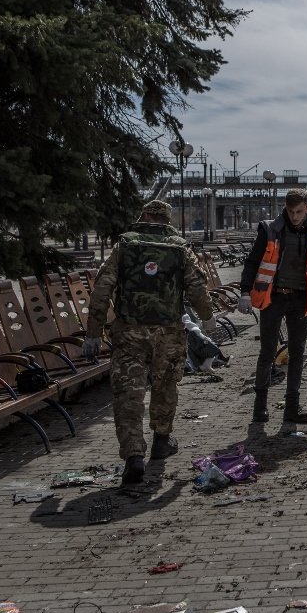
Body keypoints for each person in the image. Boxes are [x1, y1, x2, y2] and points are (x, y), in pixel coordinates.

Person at [83, 199, 215, 485]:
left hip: (129, 332)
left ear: (142, 216)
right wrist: (207, 318)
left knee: (128, 394)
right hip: (168, 333)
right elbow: (196, 286)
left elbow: (102, 288)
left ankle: (133, 455)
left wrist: (93, 333)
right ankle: (161, 441)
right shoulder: (180, 248)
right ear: (168, 221)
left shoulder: (124, 246)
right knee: (166, 386)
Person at [238, 188, 307, 426]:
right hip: (272, 298)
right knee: (267, 352)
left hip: (299, 299)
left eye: (299, 212)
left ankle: (292, 408)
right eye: (290, 211)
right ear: (285, 208)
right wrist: (245, 292)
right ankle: (260, 407)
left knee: (297, 353)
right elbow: (253, 261)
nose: (294, 216)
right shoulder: (270, 230)